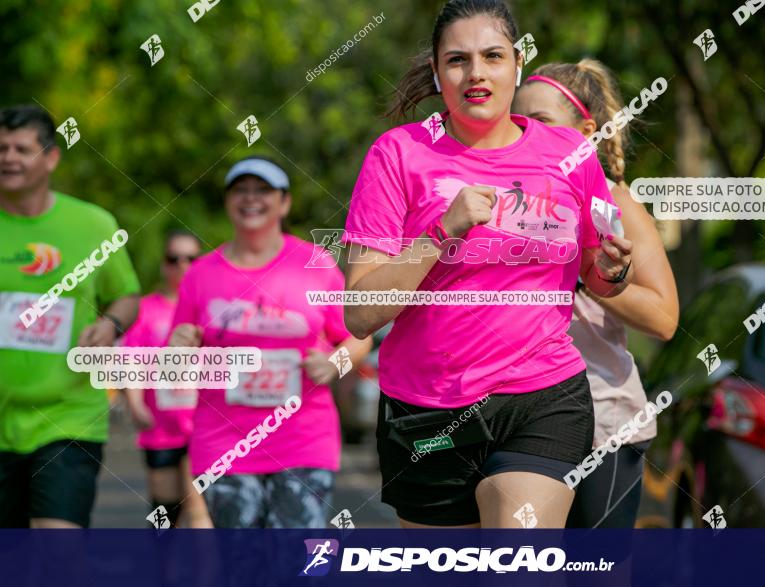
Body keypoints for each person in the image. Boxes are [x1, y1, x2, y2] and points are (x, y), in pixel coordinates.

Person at [342, 0, 633, 528]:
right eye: (457, 60)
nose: (476, 73)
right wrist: (441, 232)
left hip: (542, 394)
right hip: (426, 406)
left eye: (492, 56)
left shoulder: (570, 154)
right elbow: (360, 312)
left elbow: (596, 272)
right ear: (437, 72)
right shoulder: (398, 154)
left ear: (517, 66)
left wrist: (613, 270)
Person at [513, 59, 679, 528]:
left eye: (541, 121)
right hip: (519, 420)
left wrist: (588, 273)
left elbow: (664, 317)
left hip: (602, 423)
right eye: (518, 122)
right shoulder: (507, 196)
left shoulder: (614, 199)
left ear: (585, 131)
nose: (527, 133)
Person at [168, 156, 372, 528]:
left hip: (302, 440)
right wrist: (178, 346)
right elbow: (179, 353)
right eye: (240, 190)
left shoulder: (316, 264)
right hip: (224, 443)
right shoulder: (200, 274)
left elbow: (359, 337)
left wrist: (334, 364)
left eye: (263, 190)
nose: (251, 199)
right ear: (228, 202)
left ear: (285, 202)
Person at [0, 104, 140, 528]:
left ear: (51, 158)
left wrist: (110, 324)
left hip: (69, 417)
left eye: (21, 149)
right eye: (1, 148)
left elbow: (127, 295)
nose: (8, 158)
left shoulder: (93, 225)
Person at [121, 229, 212, 528]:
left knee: (199, 508)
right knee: (165, 512)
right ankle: (165, 572)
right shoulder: (146, 310)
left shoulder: (212, 307)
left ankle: (206, 576)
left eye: (191, 258)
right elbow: (132, 360)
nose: (182, 265)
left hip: (205, 425)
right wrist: (135, 404)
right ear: (163, 264)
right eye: (174, 258)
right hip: (161, 426)